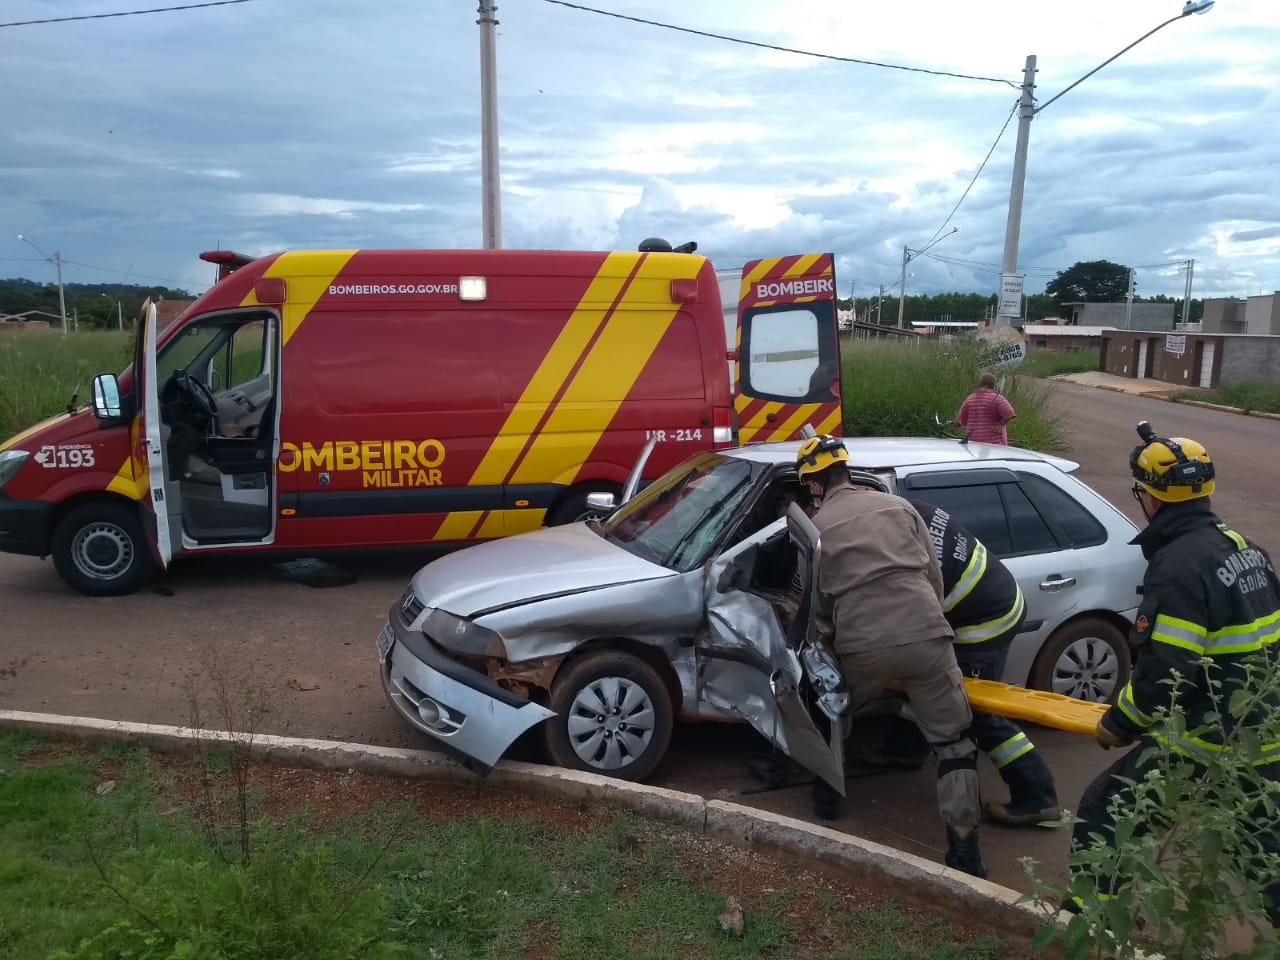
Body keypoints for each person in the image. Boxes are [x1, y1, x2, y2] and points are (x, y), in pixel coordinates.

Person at [1066, 421, 1280, 934]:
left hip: (1205, 742)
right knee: (1262, 854)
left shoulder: (1178, 566)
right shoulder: (1244, 547)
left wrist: (1118, 723)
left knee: (1103, 816)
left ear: (1151, 499)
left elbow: (1166, 671)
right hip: (1261, 733)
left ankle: (1091, 931)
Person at [796, 434, 988, 878]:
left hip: (864, 645)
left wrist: (829, 637)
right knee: (953, 743)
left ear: (811, 484)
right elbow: (934, 579)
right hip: (928, 635)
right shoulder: (899, 507)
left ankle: (827, 801)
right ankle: (965, 853)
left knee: (831, 710)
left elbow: (817, 607)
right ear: (847, 469)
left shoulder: (815, 527)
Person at [859, 499, 1061, 827]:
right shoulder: (904, 508)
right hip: (983, 601)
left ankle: (1037, 796)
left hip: (987, 621)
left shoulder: (902, 553)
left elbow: (909, 618)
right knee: (922, 678)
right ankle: (905, 751)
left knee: (974, 711)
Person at [956, 372, 1015, 445]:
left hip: (972, 442)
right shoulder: (997, 398)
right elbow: (1009, 413)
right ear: (993, 385)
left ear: (980, 384)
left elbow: (963, 421)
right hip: (993, 442)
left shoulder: (970, 399)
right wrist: (1000, 424)